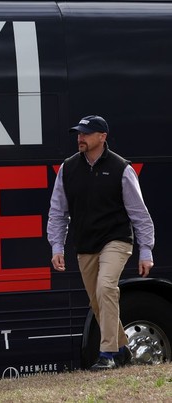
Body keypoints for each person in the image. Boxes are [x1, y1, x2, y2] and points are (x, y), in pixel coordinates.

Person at [47, 115, 155, 371]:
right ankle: (121, 348)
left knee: (106, 289)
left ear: (102, 137)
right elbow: (57, 211)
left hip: (116, 239)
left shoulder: (121, 168)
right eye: (78, 133)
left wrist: (146, 250)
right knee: (97, 300)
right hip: (85, 244)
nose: (80, 137)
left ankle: (107, 354)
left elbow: (139, 213)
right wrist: (57, 246)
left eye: (86, 133)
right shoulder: (67, 168)